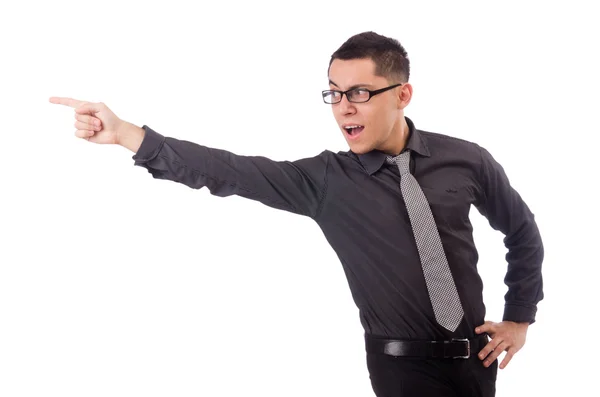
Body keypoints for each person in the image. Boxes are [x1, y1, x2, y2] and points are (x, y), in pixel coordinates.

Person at [49, 31, 543, 397]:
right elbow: (228, 170)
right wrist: (129, 135)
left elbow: (521, 232)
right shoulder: (325, 181)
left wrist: (520, 317)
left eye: (359, 93)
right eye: (334, 92)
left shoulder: (467, 159)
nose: (343, 107)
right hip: (400, 371)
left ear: (402, 94)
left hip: (477, 364)